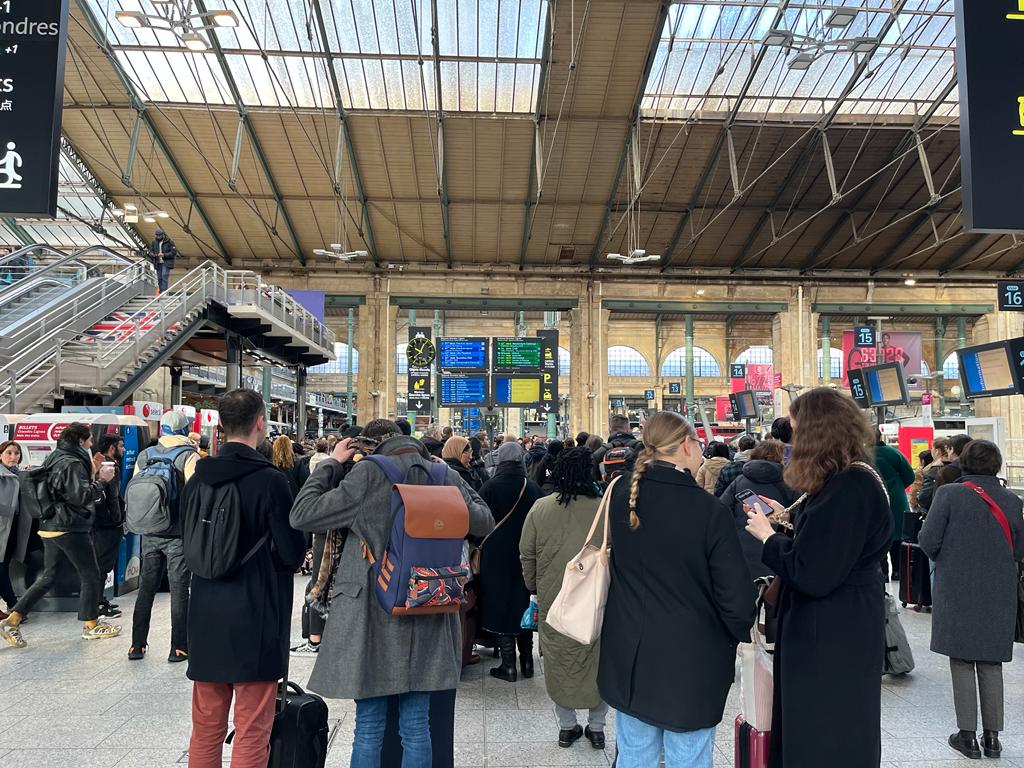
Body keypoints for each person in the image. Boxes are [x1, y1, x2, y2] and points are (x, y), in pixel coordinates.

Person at [290, 419, 493, 768]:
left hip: (373, 613)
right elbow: (484, 521)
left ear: (370, 445)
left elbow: (303, 514)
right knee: (416, 727)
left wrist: (331, 464)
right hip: (428, 603)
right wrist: (453, 478)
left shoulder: (369, 474)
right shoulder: (441, 474)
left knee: (369, 727)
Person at [743, 387, 892, 768]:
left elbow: (814, 573)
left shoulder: (848, 487)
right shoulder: (845, 479)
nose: (791, 441)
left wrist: (769, 537)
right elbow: (833, 544)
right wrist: (791, 519)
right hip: (839, 623)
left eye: (795, 431)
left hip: (831, 631)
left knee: (823, 727)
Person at [598, 412, 754, 766]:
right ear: (686, 445)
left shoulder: (623, 494)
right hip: (691, 663)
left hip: (628, 656)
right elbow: (736, 600)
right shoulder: (709, 511)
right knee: (689, 757)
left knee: (634, 754)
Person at [186, 389, 306, 768]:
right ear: (260, 422)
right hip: (254, 613)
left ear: (220, 425)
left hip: (204, 612)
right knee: (253, 727)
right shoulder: (270, 481)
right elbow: (291, 552)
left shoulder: (196, 479)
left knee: (206, 726)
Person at [918, 440, 1024, 760]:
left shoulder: (949, 494)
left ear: (964, 463)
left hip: (958, 587)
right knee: (991, 661)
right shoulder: (1011, 499)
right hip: (999, 590)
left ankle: (966, 736)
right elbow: (1019, 550)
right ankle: (992, 738)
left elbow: (928, 540)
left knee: (962, 660)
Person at [520, 447, 610, 749]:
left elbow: (527, 553)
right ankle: (596, 728)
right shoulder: (606, 508)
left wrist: (534, 586)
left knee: (560, 660)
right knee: (599, 658)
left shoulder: (541, 508)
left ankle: (567, 726)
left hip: (554, 594)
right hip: (600, 598)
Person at [0, 424, 120, 647]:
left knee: (49, 576)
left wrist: (91, 471)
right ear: (80, 441)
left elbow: (62, 489)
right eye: (89, 440)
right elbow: (81, 496)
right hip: (69, 526)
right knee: (91, 574)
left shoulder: (56, 456)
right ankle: (91, 625)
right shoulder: (72, 462)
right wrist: (102, 479)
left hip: (50, 524)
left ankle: (12, 620)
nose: (92, 444)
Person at [128, 410, 200, 662]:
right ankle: (178, 647)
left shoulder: (145, 455)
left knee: (146, 588)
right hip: (178, 532)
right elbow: (196, 493)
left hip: (149, 530)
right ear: (184, 430)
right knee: (180, 589)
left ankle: (137, 645)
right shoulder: (188, 456)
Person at [478, 440, 544, 682]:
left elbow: (478, 521)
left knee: (500, 603)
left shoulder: (490, 486)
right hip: (527, 555)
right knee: (524, 602)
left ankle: (508, 666)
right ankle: (527, 662)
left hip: (496, 556)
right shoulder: (534, 488)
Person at [720, 439, 799, 580]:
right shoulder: (791, 483)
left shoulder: (739, 481)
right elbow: (799, 518)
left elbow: (721, 511)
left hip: (742, 552)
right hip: (777, 550)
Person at [873, 429, 915, 580]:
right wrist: (897, 486)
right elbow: (910, 476)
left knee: (877, 537)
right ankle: (898, 571)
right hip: (896, 499)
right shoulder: (893, 453)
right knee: (898, 535)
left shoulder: (862, 455)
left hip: (874, 499)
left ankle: (882, 573)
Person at [91, 433, 125, 619]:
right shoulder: (110, 467)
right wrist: (118, 519)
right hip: (107, 523)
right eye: (121, 446)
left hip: (97, 521)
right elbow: (113, 496)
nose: (123, 449)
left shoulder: (96, 463)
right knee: (103, 564)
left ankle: (99, 600)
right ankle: (97, 603)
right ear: (112, 448)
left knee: (101, 564)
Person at [919, 434, 971, 513]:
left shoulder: (943, 471)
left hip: (948, 515)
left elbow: (926, 498)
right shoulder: (978, 468)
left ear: (952, 450)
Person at [0, 441, 22, 617]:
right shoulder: (3, 475)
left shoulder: (15, 474)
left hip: (10, 528)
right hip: (1, 527)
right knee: (1, 567)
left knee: (4, 565)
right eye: (9, 453)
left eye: (16, 453)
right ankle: (14, 605)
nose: (13, 457)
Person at [592, 415, 641, 480]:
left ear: (610, 430)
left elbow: (594, 481)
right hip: (635, 488)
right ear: (628, 429)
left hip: (609, 488)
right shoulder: (640, 448)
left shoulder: (599, 453)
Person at [149, 227, 178, 293]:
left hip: (166, 262)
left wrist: (164, 255)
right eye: (157, 236)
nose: (158, 237)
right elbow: (150, 251)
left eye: (159, 236)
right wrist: (152, 254)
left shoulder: (169, 242)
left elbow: (173, 252)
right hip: (158, 262)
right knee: (159, 278)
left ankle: (164, 291)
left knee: (164, 275)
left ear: (163, 235)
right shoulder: (154, 242)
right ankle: (161, 291)